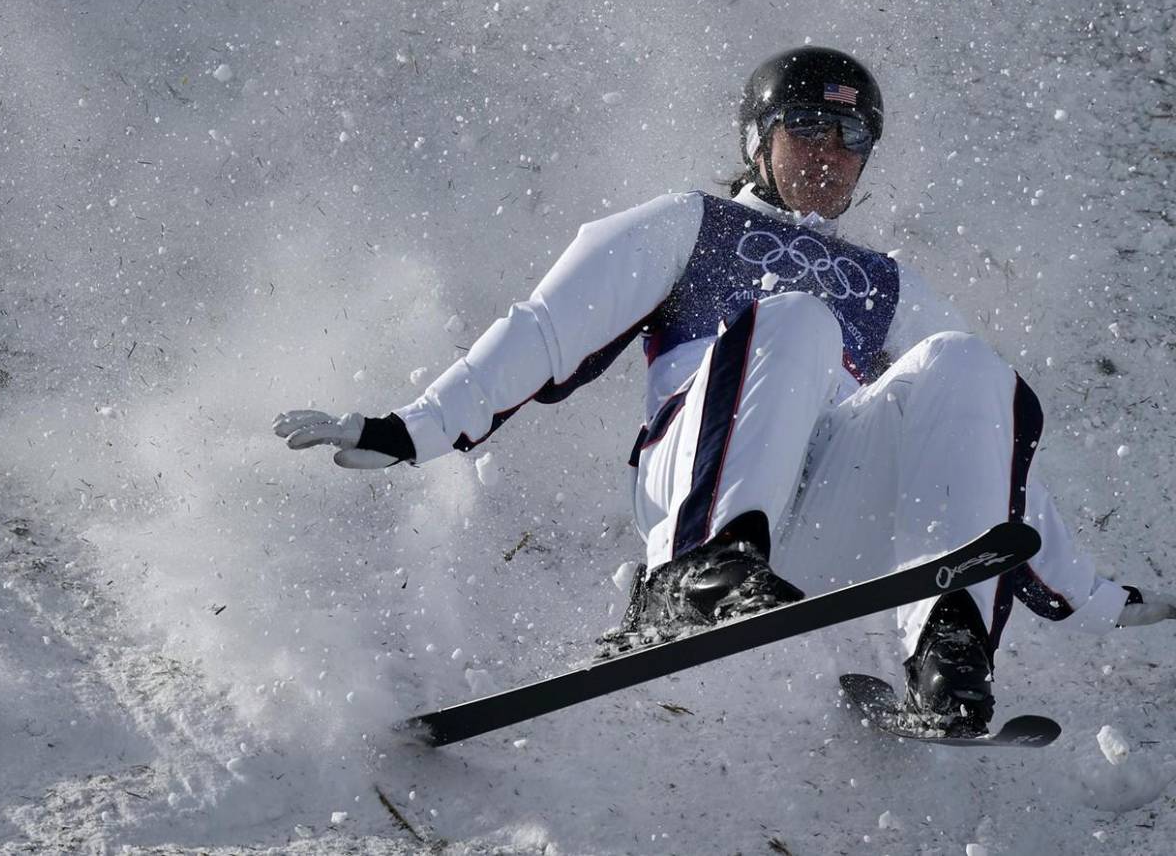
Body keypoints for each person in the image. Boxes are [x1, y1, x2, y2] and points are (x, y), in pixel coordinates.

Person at [274, 46, 1173, 736]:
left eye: (852, 139)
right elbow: (545, 328)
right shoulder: (694, 224)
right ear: (757, 139)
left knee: (972, 365)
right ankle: (695, 570)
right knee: (798, 321)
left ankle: (948, 652)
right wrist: (414, 428)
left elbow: (985, 444)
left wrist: (1097, 597)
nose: (830, 154)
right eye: (808, 129)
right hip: (695, 479)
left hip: (821, 529)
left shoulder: (888, 284)